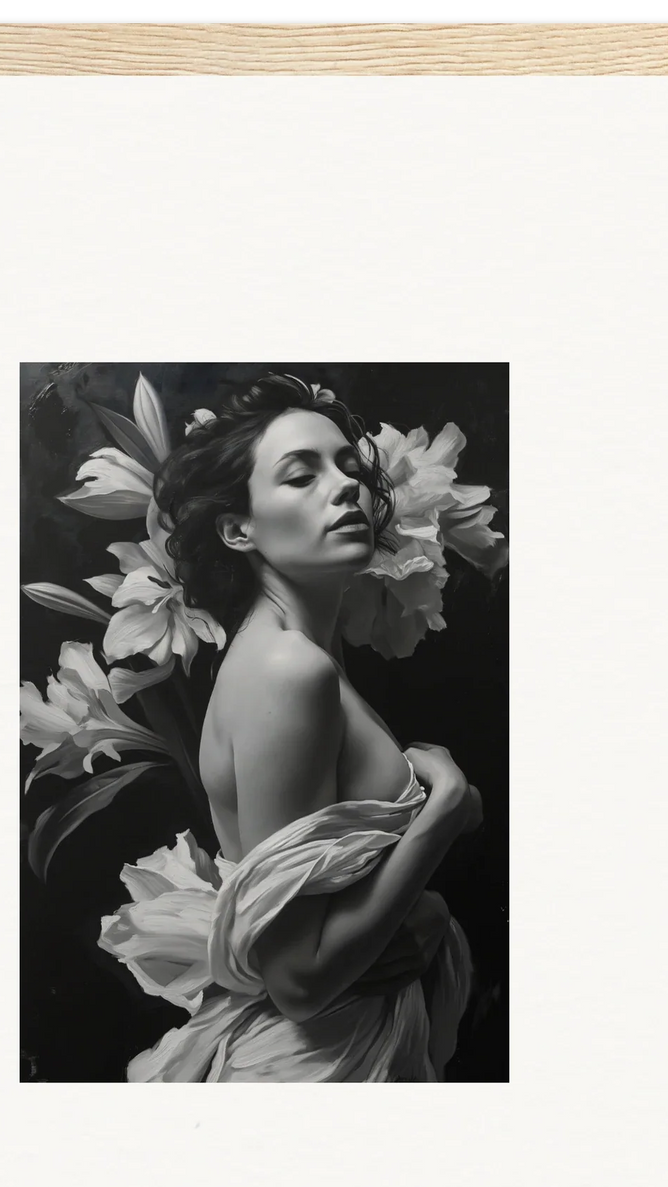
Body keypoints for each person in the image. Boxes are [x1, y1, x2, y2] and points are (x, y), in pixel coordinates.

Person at [107, 374, 482, 1081]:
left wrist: (422, 910)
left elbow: (330, 893)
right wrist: (443, 811)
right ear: (237, 528)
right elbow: (300, 982)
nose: (343, 488)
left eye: (347, 466)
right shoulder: (287, 669)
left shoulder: (301, 655)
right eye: (299, 475)